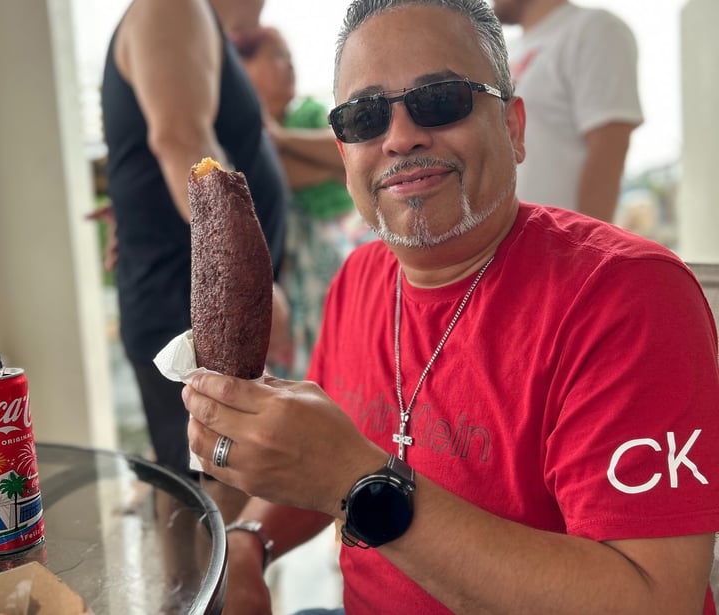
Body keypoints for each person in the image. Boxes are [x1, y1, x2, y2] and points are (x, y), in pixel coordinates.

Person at [182, 1, 719, 613]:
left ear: (514, 128)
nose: (400, 137)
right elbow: (317, 457)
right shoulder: (358, 279)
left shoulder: (628, 294)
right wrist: (250, 540)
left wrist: (359, 483)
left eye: (440, 100)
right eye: (364, 117)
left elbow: (655, 599)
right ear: (345, 154)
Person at [99, 0, 291, 520]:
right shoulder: (173, 7)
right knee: (212, 501)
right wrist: (252, 283)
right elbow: (181, 140)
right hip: (197, 315)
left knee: (206, 494)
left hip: (203, 307)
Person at [232, 25, 373, 379]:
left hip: (334, 243)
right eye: (277, 56)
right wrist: (326, 168)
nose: (290, 66)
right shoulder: (239, 133)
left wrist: (281, 139)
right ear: (242, 67)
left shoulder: (308, 114)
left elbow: (347, 152)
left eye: (290, 57)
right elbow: (278, 177)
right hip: (287, 263)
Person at [492, 0, 643, 221]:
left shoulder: (594, 29)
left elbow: (608, 150)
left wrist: (586, 241)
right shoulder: (506, 51)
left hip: (558, 239)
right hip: (511, 239)